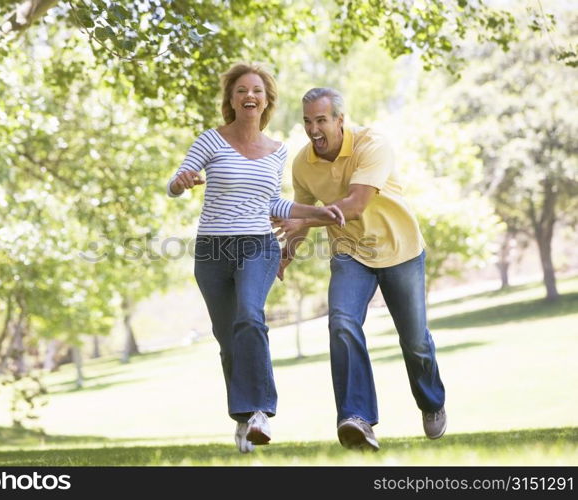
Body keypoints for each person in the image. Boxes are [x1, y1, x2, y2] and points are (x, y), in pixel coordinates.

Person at [167, 65, 344, 454]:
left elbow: (271, 203)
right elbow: (177, 181)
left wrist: (317, 213)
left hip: (257, 244)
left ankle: (262, 411)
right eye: (242, 90)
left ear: (267, 100)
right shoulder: (210, 141)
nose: (250, 95)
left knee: (250, 315)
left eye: (258, 90)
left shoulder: (277, 149)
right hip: (212, 251)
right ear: (231, 99)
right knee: (229, 338)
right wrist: (181, 182)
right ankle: (244, 419)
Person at [273, 87, 446, 451]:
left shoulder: (373, 144)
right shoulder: (303, 163)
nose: (313, 129)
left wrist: (307, 220)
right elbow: (302, 216)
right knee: (341, 322)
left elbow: (355, 204)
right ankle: (356, 417)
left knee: (414, 341)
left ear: (339, 119)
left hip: (400, 248)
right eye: (307, 121)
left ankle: (432, 402)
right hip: (351, 253)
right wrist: (287, 252)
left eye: (321, 120)